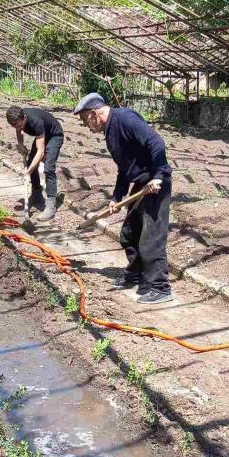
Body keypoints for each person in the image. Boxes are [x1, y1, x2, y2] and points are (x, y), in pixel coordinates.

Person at [73, 92, 173, 304]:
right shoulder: (110, 132)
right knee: (129, 233)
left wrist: (158, 175)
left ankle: (160, 287)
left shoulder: (125, 119)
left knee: (152, 238)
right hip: (140, 184)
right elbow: (123, 167)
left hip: (154, 185)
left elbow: (156, 143)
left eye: (84, 120)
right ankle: (135, 274)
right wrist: (116, 197)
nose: (85, 126)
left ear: (94, 114)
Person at [5, 105, 64, 221]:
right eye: (14, 126)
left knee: (49, 168)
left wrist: (28, 172)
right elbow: (18, 130)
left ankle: (51, 205)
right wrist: (20, 144)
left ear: (24, 118)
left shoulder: (36, 122)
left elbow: (40, 152)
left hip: (54, 135)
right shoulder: (17, 119)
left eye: (19, 125)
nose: (18, 128)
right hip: (41, 135)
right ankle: (37, 194)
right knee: (30, 163)